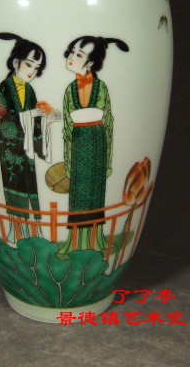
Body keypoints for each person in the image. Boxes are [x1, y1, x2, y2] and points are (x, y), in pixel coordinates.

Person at [57, 35, 129, 258]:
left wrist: (108, 160)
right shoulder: (69, 89)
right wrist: (68, 159)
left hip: (97, 142)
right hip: (77, 142)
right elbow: (67, 126)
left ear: (90, 62)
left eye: (79, 54)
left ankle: (96, 241)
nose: (71, 57)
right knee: (77, 196)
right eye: (71, 52)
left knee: (95, 194)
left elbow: (108, 122)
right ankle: (74, 242)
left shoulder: (101, 87)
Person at [0, 33, 60, 242]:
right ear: (16, 62)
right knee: (15, 187)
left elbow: (35, 120)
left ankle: (34, 233)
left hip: (27, 149)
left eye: (36, 68)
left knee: (30, 187)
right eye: (29, 65)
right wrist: (30, 115)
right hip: (12, 150)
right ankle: (16, 233)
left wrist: (48, 118)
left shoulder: (30, 90)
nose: (32, 71)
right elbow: (3, 118)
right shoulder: (5, 87)